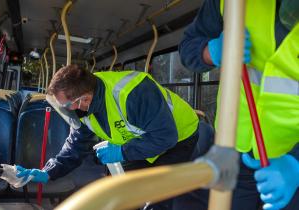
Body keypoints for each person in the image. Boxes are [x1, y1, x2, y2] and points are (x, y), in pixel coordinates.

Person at [15, 64, 202, 209]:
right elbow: (75, 146)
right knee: (122, 195)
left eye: (66, 106)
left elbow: (165, 137)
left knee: (157, 197)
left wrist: (122, 151)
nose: (65, 111)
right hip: (137, 141)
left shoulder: (133, 93)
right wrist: (49, 171)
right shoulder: (83, 109)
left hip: (178, 138)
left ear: (84, 99)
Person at [179, 0, 299, 210]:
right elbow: (188, 47)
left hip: (290, 164)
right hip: (233, 152)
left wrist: (296, 165)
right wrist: (212, 51)